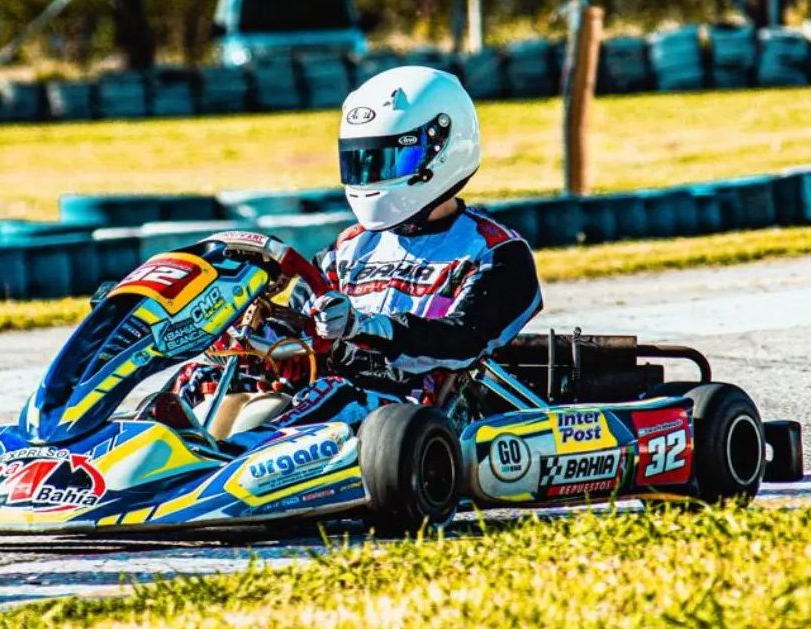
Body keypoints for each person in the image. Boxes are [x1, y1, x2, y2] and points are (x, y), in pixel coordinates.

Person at [183, 66, 544, 439]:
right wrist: (255, 330)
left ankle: (234, 463)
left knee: (335, 395)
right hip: (323, 396)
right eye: (362, 162)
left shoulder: (495, 252)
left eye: (389, 161)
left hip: (414, 415)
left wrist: (365, 326)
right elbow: (306, 328)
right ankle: (143, 458)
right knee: (204, 375)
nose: (371, 178)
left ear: (441, 150)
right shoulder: (348, 249)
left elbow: (462, 341)